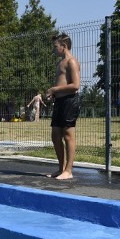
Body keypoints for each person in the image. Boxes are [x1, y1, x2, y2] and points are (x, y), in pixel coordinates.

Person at [45, 33, 80, 180]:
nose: (54, 50)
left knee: (68, 135)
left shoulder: (71, 62)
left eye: (55, 47)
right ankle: (61, 169)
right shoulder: (60, 63)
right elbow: (62, 82)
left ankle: (69, 170)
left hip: (70, 101)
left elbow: (75, 86)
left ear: (64, 46)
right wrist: (54, 94)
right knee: (55, 135)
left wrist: (55, 89)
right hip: (59, 102)